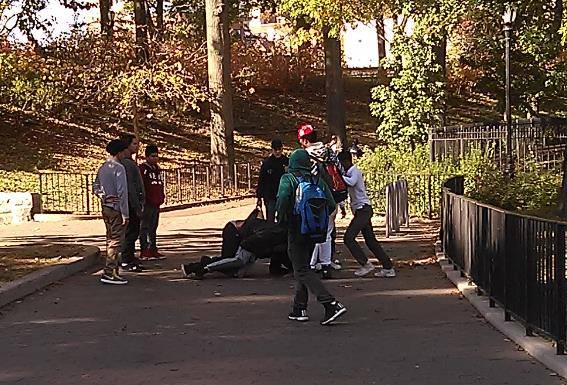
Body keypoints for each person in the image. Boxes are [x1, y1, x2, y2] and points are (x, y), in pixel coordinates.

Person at [276, 148, 346, 325]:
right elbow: (331, 205)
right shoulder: (317, 180)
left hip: (295, 228)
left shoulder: (288, 179)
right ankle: (299, 308)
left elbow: (282, 201)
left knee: (301, 269)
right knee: (303, 266)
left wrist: (282, 219)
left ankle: (331, 303)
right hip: (313, 230)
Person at [181, 209, 291, 278]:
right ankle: (198, 266)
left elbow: (279, 254)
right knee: (230, 260)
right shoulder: (272, 235)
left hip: (244, 235)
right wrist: (250, 257)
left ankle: (202, 266)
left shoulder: (280, 237)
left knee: (235, 267)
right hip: (234, 231)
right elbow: (247, 244)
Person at [337, 150, 396, 278]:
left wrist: (337, 175)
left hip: (363, 209)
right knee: (370, 241)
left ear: (345, 161)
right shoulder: (348, 172)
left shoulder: (354, 171)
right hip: (361, 210)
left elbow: (351, 182)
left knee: (348, 237)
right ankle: (388, 267)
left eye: (341, 163)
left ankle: (365, 264)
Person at [297, 123, 341, 278]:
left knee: (310, 231)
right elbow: (340, 171)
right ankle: (325, 265)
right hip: (332, 199)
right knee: (326, 233)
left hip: (312, 200)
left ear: (304, 140)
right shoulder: (329, 151)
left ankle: (309, 265)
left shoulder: (304, 156)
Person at [93, 139, 130, 285]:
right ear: (120, 152)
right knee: (116, 241)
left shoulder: (103, 167)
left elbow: (95, 186)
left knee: (110, 238)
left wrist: (103, 196)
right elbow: (122, 192)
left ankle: (113, 270)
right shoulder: (119, 168)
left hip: (106, 206)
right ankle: (109, 271)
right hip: (116, 209)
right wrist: (125, 214)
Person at [119, 133, 146, 272]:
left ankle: (129, 256)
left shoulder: (130, 162)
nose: (137, 146)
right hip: (131, 203)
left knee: (133, 232)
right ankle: (125, 259)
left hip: (133, 202)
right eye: (134, 144)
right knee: (131, 232)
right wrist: (136, 205)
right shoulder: (126, 164)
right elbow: (130, 186)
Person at [139, 144, 166, 261]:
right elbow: (141, 185)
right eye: (152, 156)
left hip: (156, 202)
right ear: (147, 157)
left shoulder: (157, 169)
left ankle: (153, 248)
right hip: (147, 203)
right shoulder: (143, 170)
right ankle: (144, 250)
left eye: (156, 156)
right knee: (144, 227)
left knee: (153, 227)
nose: (155, 158)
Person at [256, 138, 289, 222]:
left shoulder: (287, 162)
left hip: (283, 195)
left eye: (279, 149)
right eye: (275, 150)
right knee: (270, 219)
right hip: (270, 196)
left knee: (283, 220)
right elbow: (261, 180)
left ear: (282, 149)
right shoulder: (267, 163)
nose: (277, 152)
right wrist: (259, 197)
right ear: (272, 150)